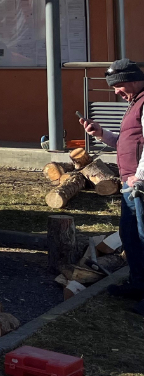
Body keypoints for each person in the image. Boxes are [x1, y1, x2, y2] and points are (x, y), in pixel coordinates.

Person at [79, 59, 144, 313]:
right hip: (131, 185)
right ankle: (138, 285)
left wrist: (140, 178)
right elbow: (128, 144)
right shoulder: (134, 103)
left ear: (130, 79)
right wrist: (101, 134)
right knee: (131, 237)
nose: (116, 92)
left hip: (139, 184)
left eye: (117, 86)